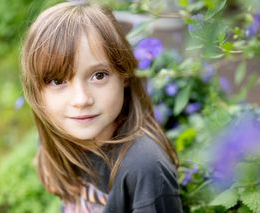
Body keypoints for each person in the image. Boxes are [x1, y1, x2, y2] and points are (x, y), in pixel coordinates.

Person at [21, 0, 182, 212]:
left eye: (99, 75)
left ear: (124, 75)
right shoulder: (57, 134)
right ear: (37, 92)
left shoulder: (144, 167)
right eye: (58, 81)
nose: (81, 99)